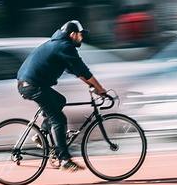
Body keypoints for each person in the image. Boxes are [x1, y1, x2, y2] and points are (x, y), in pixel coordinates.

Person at [16, 20, 110, 172]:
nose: (82, 38)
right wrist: (100, 89)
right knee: (59, 119)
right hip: (33, 86)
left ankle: (42, 135)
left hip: (31, 84)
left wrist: (92, 85)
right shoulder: (64, 46)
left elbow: (76, 71)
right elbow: (83, 70)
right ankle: (65, 159)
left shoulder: (58, 44)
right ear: (72, 34)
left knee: (60, 101)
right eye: (80, 35)